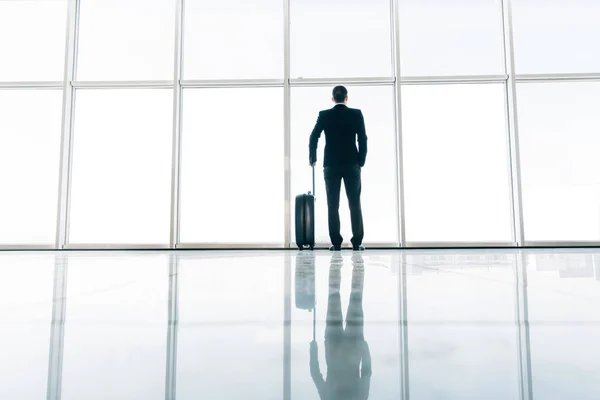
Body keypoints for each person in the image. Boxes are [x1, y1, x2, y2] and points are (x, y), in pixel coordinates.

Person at [309, 86, 367, 251]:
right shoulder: (356, 114)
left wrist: (313, 158)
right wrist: (361, 161)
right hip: (351, 164)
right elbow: (362, 138)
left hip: (331, 165)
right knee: (354, 203)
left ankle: (336, 243)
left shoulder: (325, 115)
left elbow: (314, 137)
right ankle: (357, 242)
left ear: (332, 99)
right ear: (346, 98)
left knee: (332, 204)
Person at [310, 253, 372, 399]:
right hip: (334, 347)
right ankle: (336, 264)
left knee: (356, 297)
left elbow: (367, 372)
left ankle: (355, 265)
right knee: (334, 296)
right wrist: (313, 350)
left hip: (353, 347)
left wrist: (363, 347)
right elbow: (315, 373)